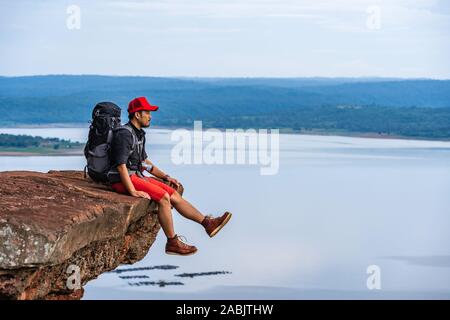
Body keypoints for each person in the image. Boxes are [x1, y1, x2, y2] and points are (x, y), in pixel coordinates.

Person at [108, 96, 232, 256]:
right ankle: (172, 242)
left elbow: (144, 162)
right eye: (147, 112)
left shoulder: (138, 134)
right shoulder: (125, 134)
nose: (150, 116)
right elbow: (121, 165)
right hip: (122, 179)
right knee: (164, 197)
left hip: (136, 176)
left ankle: (208, 223)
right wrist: (132, 190)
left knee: (173, 193)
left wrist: (166, 177)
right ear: (137, 115)